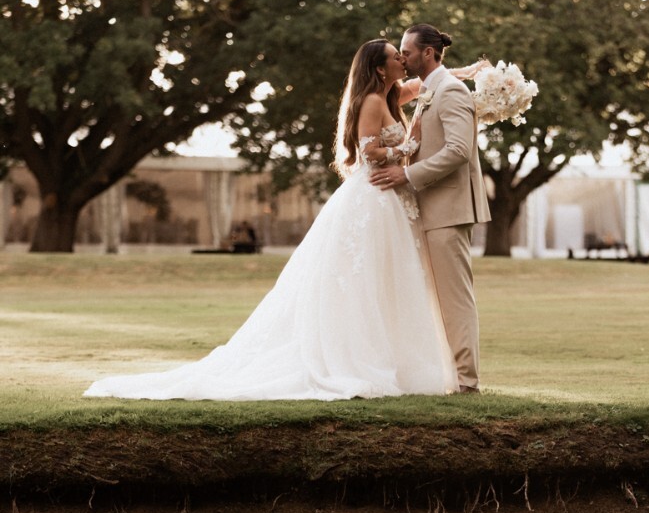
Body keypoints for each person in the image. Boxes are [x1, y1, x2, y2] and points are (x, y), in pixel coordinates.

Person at [84, 39, 460, 401]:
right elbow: (370, 152)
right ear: (380, 69)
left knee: (389, 280)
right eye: (397, 56)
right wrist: (408, 147)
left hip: (390, 201)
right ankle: (356, 360)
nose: (403, 60)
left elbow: (424, 85)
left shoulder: (393, 95)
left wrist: (466, 74)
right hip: (372, 199)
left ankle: (394, 360)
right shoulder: (373, 101)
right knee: (362, 280)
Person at [371, 24, 491, 393]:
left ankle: (467, 382)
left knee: (455, 299)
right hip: (429, 209)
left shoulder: (451, 92)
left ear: (427, 53)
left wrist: (407, 176)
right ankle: (447, 375)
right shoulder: (430, 88)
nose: (402, 58)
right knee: (434, 299)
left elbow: (457, 151)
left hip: (449, 209)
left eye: (406, 51)